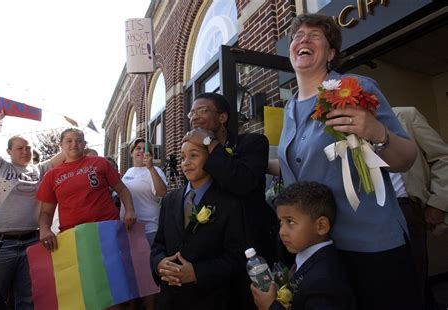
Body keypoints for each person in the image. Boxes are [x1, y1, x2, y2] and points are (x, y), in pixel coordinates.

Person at [268, 14, 419, 310]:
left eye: (314, 35)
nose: (303, 39)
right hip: (319, 249)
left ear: (332, 53)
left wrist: (377, 132)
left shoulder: (356, 87)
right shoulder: (288, 108)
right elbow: (297, 169)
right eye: (298, 35)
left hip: (369, 243)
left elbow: (406, 159)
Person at [183, 92, 277, 308]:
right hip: (211, 257)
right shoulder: (196, 153)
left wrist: (209, 142)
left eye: (202, 110)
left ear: (223, 117)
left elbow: (242, 182)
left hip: (249, 254)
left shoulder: (253, 143)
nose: (194, 117)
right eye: (192, 112)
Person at [0, 89, 64, 309]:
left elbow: (67, 151)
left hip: (32, 242)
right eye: (19, 148)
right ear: (9, 151)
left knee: (27, 299)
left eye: (28, 147)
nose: (25, 151)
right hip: (0, 244)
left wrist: (74, 130)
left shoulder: (40, 170)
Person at [150, 139, 244, 309]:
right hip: (169, 299)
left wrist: (196, 273)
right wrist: (159, 263)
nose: (186, 162)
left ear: (210, 158)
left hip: (209, 299)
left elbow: (236, 258)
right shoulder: (169, 200)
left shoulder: (229, 203)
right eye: (182, 157)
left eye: (194, 155)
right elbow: (158, 245)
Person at [251, 182, 355, 310]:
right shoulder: (308, 259)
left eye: (290, 221)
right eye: (281, 222)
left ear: (321, 226)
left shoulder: (323, 281)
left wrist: (270, 307)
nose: (281, 231)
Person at [36, 128, 136, 250]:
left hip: (107, 229)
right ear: (61, 144)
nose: (74, 144)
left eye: (79, 140)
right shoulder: (51, 176)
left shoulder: (100, 163)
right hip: (73, 235)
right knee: (82, 269)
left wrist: (130, 210)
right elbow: (46, 212)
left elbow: (122, 190)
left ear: (84, 144)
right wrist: (45, 229)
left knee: (112, 267)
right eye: (69, 141)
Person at [390, 106, 448, 307]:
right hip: (370, 213)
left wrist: (438, 202)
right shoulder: (345, 131)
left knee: (415, 275)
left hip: (406, 208)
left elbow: (444, 158)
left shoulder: (405, 116)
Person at [121, 138, 167, 310]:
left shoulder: (155, 170)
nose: (141, 151)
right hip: (128, 230)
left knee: (147, 276)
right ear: (132, 152)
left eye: (144, 148)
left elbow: (162, 193)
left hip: (149, 229)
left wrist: (151, 168)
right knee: (133, 273)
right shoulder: (128, 172)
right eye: (137, 148)